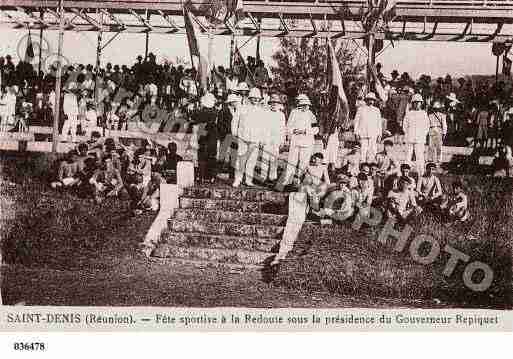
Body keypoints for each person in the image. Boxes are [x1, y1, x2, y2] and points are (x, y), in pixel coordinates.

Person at [282, 94, 319, 187]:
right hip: (295, 141)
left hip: (307, 142)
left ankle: (299, 182)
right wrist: (293, 130)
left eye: (306, 105)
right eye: (302, 104)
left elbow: (316, 129)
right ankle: (287, 181)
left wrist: (305, 131)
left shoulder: (311, 114)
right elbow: (287, 127)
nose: (304, 107)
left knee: (303, 163)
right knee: (291, 162)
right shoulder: (294, 112)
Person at [231, 87, 263, 187]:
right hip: (243, 137)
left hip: (255, 138)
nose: (256, 100)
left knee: (252, 160)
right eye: (254, 98)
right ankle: (238, 179)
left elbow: (264, 126)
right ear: (249, 98)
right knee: (241, 159)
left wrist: (262, 139)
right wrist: (234, 132)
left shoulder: (261, 110)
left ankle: (248, 180)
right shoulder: (241, 107)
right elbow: (235, 121)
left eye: (257, 98)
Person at [191, 92, 219, 184]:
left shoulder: (199, 113)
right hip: (212, 136)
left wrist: (194, 138)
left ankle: (201, 176)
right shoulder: (215, 113)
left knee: (202, 156)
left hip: (202, 135)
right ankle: (211, 177)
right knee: (211, 156)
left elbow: (195, 125)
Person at [261, 94, 286, 183]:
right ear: (270, 104)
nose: (274, 105)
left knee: (274, 159)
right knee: (265, 158)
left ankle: (272, 177)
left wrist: (282, 140)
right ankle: (263, 177)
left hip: (276, 139)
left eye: (276, 103)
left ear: (279, 104)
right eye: (272, 103)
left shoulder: (281, 115)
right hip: (267, 139)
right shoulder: (266, 113)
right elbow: (262, 127)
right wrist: (262, 139)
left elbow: (283, 129)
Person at [403, 93, 430, 176]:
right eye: (415, 102)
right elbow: (405, 126)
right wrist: (408, 134)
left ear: (421, 103)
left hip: (420, 138)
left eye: (418, 102)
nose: (417, 104)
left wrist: (422, 135)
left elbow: (427, 126)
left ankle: (421, 173)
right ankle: (405, 173)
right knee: (408, 156)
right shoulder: (409, 113)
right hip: (410, 138)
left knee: (420, 156)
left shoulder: (424, 114)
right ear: (412, 103)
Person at [353, 92, 382, 162]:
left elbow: (379, 123)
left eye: (372, 100)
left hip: (373, 134)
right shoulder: (360, 109)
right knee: (363, 152)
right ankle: (363, 167)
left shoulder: (376, 110)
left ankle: (372, 167)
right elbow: (356, 122)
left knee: (373, 151)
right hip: (363, 134)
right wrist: (356, 132)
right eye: (369, 99)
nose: (371, 101)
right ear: (366, 100)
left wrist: (379, 134)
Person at [428, 101, 447, 166]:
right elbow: (428, 124)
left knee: (439, 146)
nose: (436, 110)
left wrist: (444, 132)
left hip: (439, 130)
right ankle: (430, 159)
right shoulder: (430, 116)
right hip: (432, 129)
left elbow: (444, 125)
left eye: (437, 108)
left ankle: (439, 159)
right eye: (435, 108)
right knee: (431, 146)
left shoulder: (443, 115)